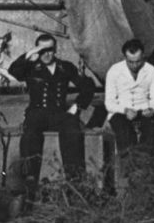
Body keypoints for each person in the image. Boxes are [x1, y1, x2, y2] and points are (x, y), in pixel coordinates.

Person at [8, 34, 95, 188]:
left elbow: (87, 86)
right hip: (36, 113)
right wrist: (29, 55)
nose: (46, 54)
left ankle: (75, 182)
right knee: (29, 137)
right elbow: (14, 71)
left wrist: (77, 106)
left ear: (55, 50)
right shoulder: (30, 68)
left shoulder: (65, 67)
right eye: (42, 50)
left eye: (50, 50)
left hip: (59, 114)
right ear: (36, 50)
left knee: (73, 131)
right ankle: (29, 181)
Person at [104, 39, 154, 157]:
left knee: (152, 135)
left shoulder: (151, 71)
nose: (135, 65)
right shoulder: (114, 71)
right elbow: (109, 103)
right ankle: (129, 171)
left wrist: (152, 109)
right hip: (121, 112)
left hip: (144, 110)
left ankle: (144, 169)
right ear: (125, 57)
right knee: (125, 136)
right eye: (130, 62)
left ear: (143, 57)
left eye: (138, 61)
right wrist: (125, 110)